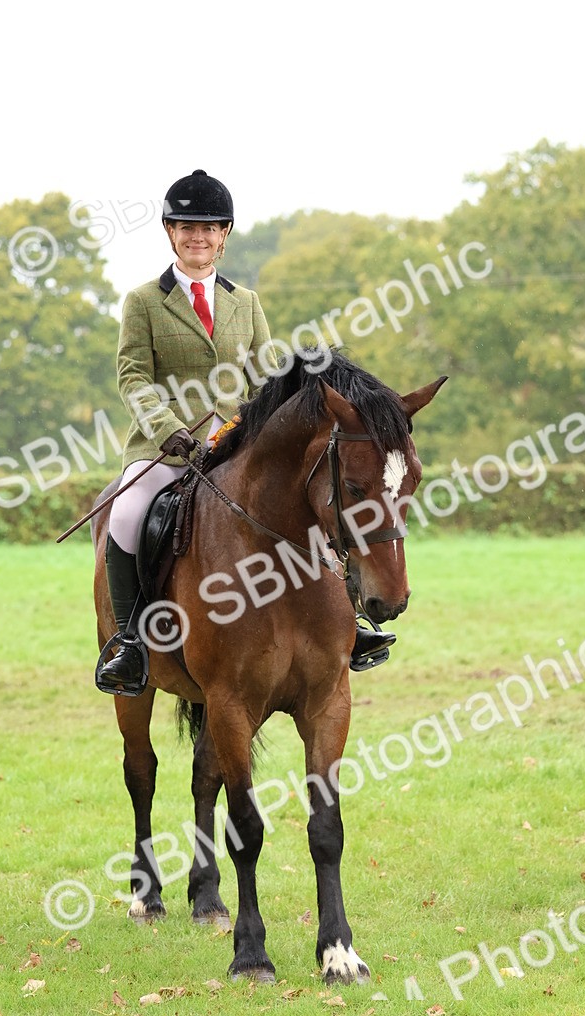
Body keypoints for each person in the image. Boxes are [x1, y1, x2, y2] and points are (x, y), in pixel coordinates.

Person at [95, 170, 395, 696]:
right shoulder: (142, 300)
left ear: (224, 235)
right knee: (125, 514)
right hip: (168, 447)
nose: (198, 237)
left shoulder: (245, 302)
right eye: (187, 227)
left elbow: (263, 378)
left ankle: (350, 622)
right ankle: (129, 642)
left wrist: (254, 425)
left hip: (236, 444)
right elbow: (133, 377)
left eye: (209, 228)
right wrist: (167, 429)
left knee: (315, 502)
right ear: (170, 232)